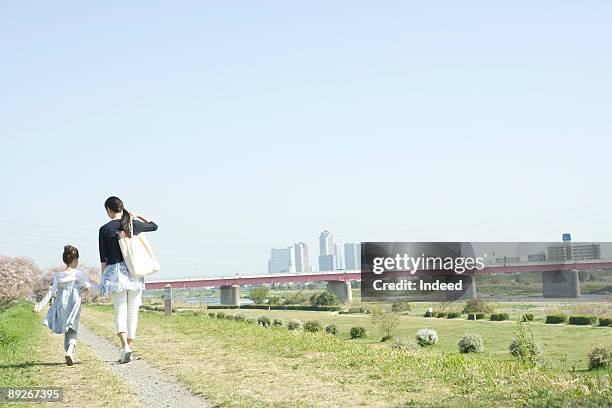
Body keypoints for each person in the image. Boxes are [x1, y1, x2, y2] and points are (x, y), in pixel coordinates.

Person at [99, 196, 158, 363]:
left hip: (115, 273)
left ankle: (124, 346)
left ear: (109, 210)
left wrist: (104, 279)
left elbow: (103, 258)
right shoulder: (131, 224)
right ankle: (128, 347)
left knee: (120, 311)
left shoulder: (104, 229)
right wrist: (137, 215)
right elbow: (154, 226)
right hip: (135, 272)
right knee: (133, 312)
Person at [33, 245, 98, 366]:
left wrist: (39, 306)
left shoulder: (58, 275)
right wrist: (103, 288)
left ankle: (67, 351)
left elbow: (51, 292)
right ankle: (69, 351)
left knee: (66, 327)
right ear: (75, 260)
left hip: (61, 303)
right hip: (74, 303)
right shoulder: (78, 273)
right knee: (72, 328)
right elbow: (89, 285)